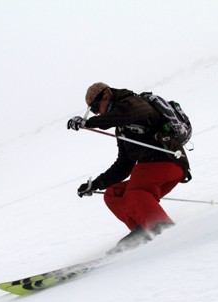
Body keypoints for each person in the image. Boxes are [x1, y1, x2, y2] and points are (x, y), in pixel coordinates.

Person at [67, 82, 191, 252]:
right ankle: (143, 230)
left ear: (106, 95)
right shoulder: (122, 129)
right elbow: (123, 165)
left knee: (136, 192)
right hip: (152, 169)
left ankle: (163, 229)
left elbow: (123, 115)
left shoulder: (133, 103)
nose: (96, 111)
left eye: (96, 106)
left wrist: (88, 123)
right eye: (93, 110)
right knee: (114, 194)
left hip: (168, 160)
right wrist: (96, 184)